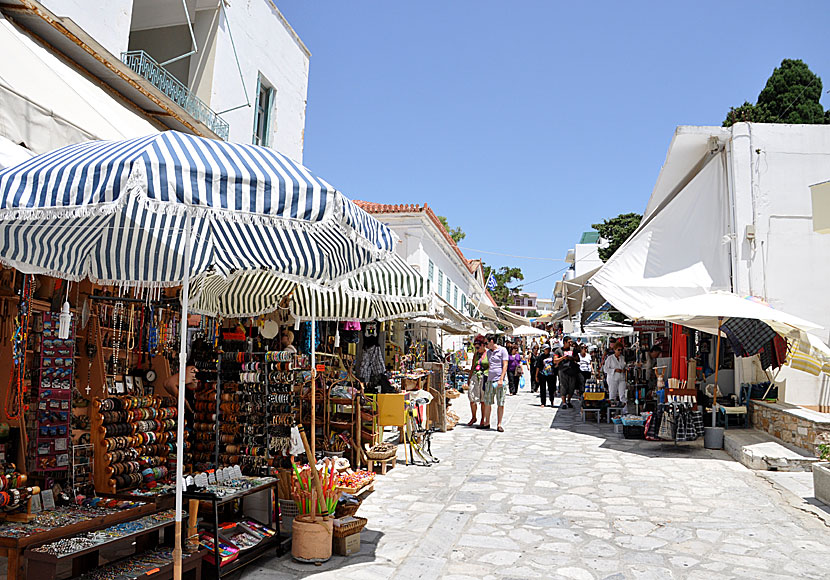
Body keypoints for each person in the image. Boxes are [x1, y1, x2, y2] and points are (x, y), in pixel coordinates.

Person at [482, 334, 508, 432]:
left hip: (499, 381)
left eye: (486, 343)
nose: (485, 345)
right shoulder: (488, 352)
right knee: (487, 402)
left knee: (500, 402)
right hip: (489, 380)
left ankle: (499, 424)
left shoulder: (502, 350)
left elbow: (505, 365)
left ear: (492, 341)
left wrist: (501, 379)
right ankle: (487, 422)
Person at [466, 335, 488, 426]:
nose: (477, 349)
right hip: (475, 377)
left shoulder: (488, 354)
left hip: (484, 377)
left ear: (483, 345)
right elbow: (472, 367)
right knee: (472, 397)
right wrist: (469, 377)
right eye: (475, 347)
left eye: (478, 347)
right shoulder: (476, 354)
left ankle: (483, 418)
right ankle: (474, 417)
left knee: (483, 400)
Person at [554, 337, 580, 409]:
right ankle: (564, 402)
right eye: (569, 342)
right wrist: (563, 358)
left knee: (571, 387)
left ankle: (568, 400)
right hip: (562, 370)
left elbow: (578, 359)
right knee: (563, 386)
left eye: (571, 342)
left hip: (572, 370)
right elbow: (555, 360)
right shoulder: (558, 350)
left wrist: (572, 358)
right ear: (564, 342)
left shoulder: (573, 350)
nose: (570, 343)